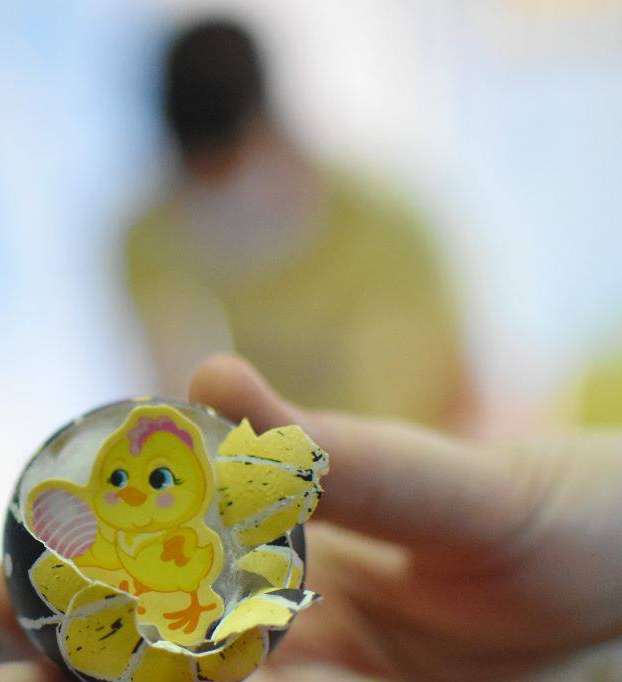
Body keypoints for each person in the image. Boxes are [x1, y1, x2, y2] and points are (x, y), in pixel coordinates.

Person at [0, 353, 622, 682]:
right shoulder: (98, 537)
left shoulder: (222, 523)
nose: (135, 495)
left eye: (157, 479)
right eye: (118, 480)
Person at [124, 20, 472, 428]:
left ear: (270, 129)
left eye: (230, 167)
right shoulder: (152, 244)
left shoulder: (389, 226)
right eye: (203, 176)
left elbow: (462, 397)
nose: (221, 191)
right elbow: (171, 403)